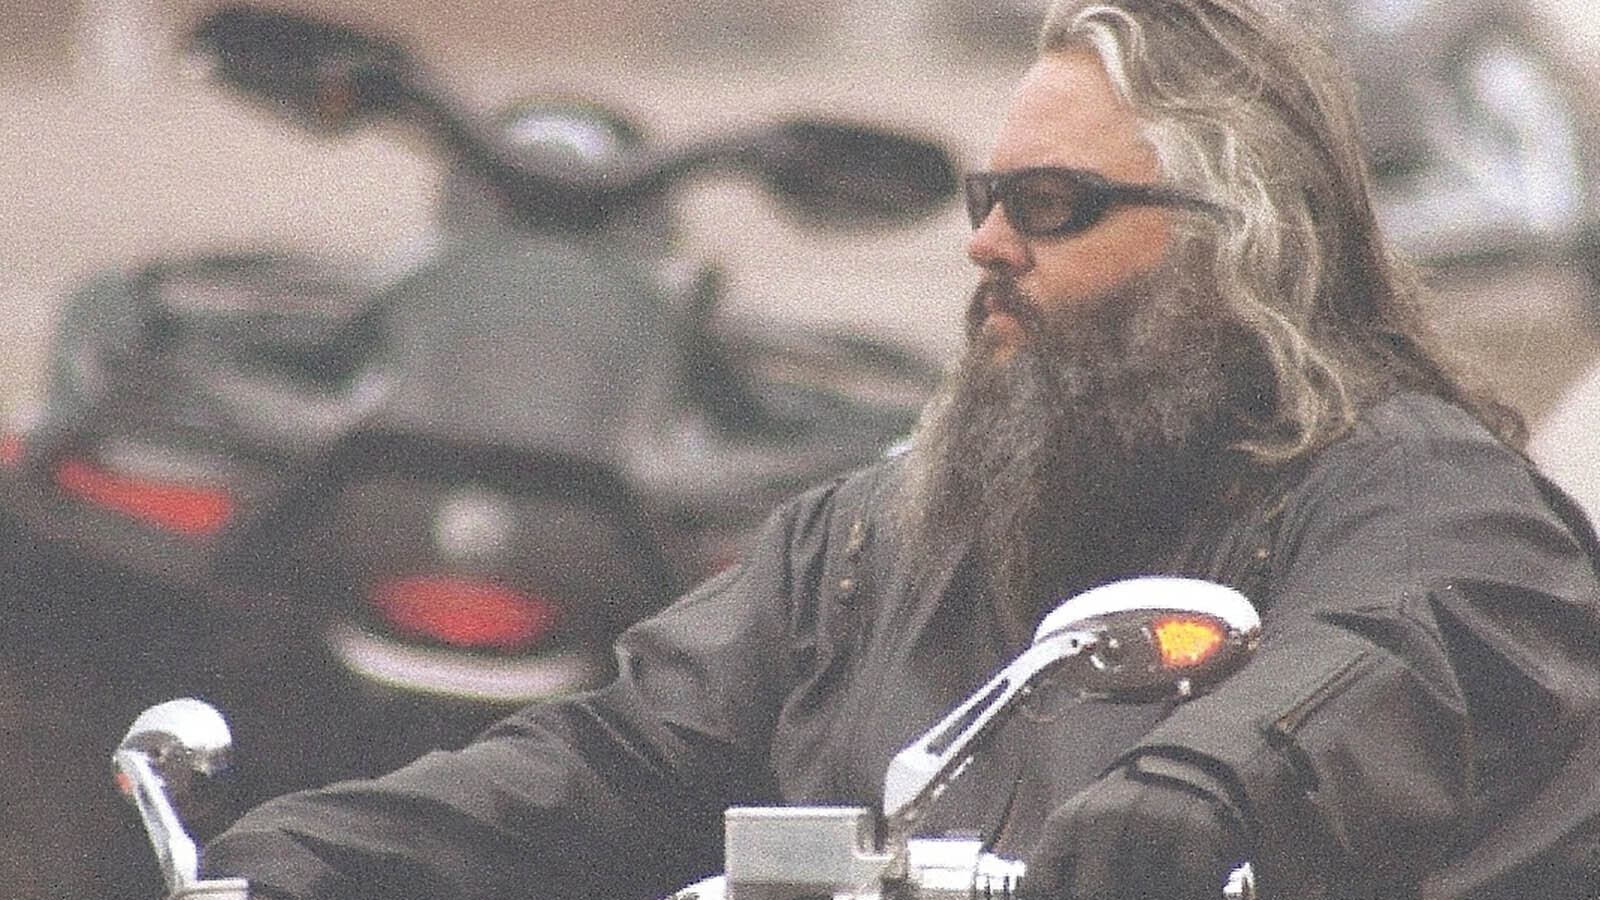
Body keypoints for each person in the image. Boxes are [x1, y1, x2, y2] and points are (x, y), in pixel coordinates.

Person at [199, 0, 1600, 897]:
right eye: (990, 196)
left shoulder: (1409, 491)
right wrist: (316, 855)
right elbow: (620, 759)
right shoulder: (873, 542)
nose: (987, 241)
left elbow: (1408, 650)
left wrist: (1208, 778)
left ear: (1242, 241)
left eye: (1050, 204)